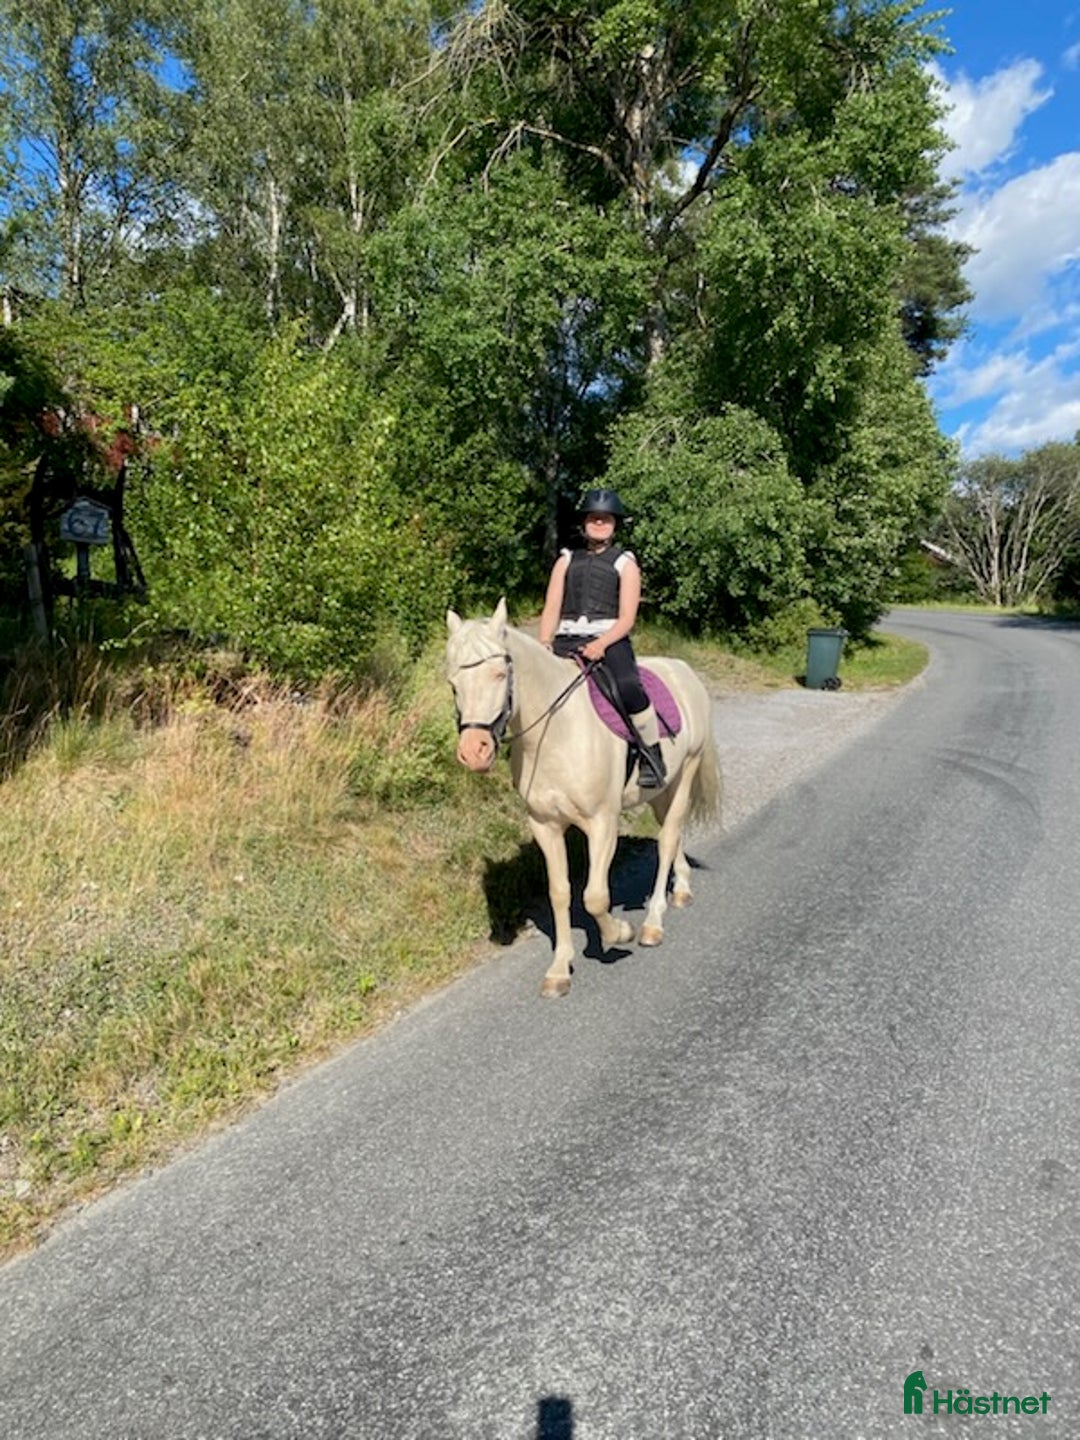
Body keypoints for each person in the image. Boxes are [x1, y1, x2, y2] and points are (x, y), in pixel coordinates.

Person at [538, 487, 667, 788]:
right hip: (567, 638)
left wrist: (601, 644)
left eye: (605, 519)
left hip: (610, 639)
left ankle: (652, 755)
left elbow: (627, 619)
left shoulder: (626, 563)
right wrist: (545, 641)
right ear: (584, 523)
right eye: (594, 518)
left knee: (628, 686)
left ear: (615, 524)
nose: (599, 524)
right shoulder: (566, 560)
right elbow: (552, 607)